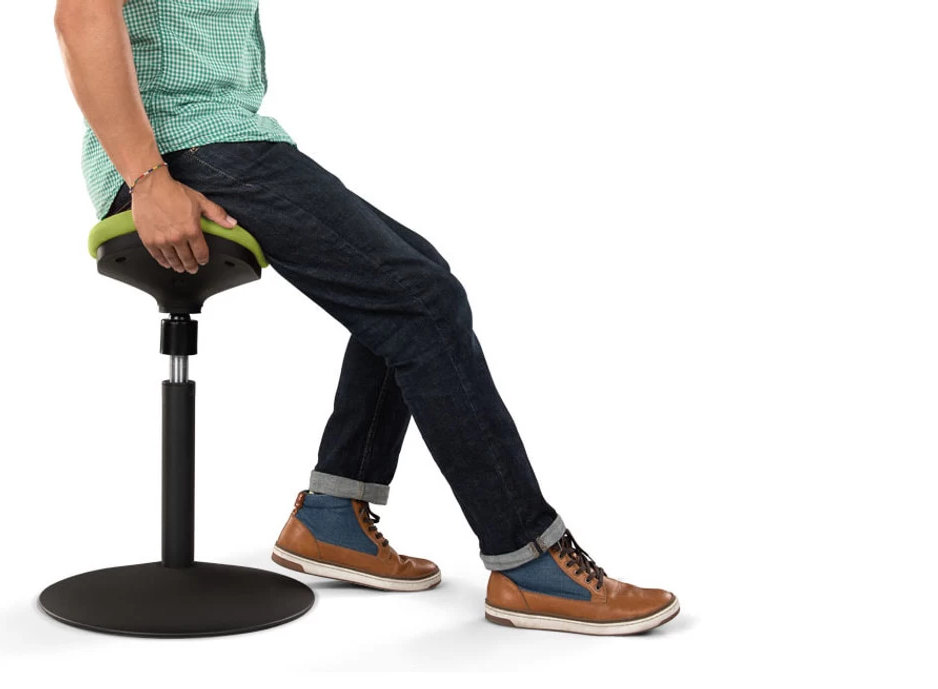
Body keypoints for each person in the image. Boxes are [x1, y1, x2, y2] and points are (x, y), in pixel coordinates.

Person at [54, 0, 678, 636]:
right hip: (183, 149)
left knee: (417, 284)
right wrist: (148, 178)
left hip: (219, 141)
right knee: (421, 301)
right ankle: (529, 559)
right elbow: (80, 13)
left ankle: (334, 514)